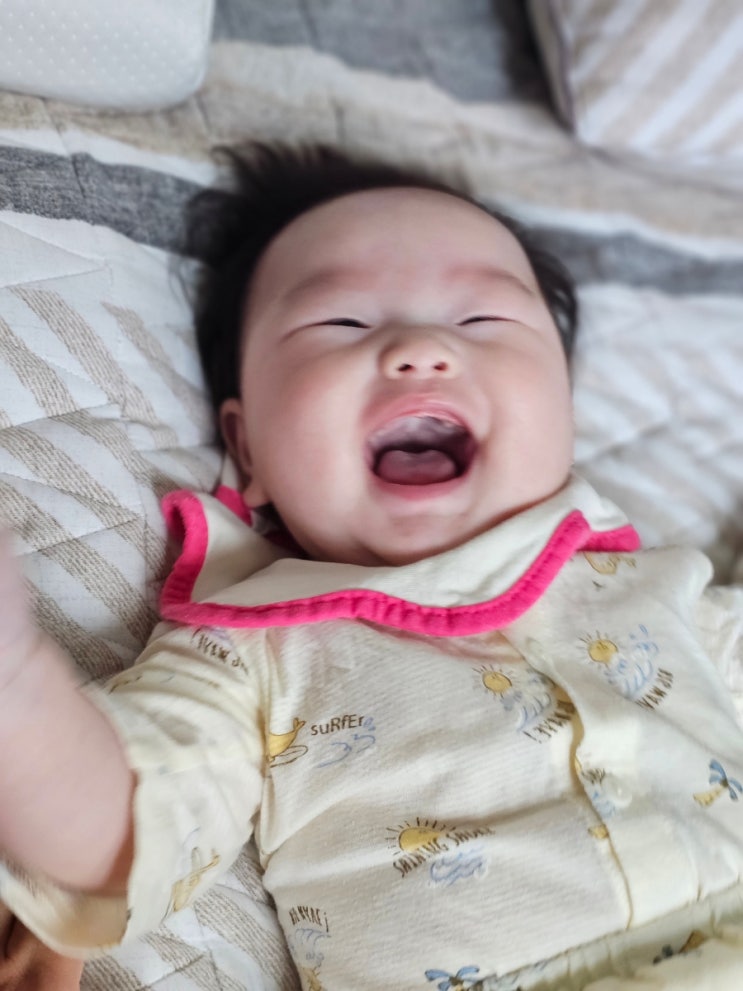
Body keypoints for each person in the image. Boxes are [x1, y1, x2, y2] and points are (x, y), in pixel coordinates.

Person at [1, 143, 743, 991]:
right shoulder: (250, 654)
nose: (419, 348)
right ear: (248, 449)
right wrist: (19, 684)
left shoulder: (669, 595)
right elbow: (124, 827)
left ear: (565, 411)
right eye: (340, 323)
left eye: (482, 319)